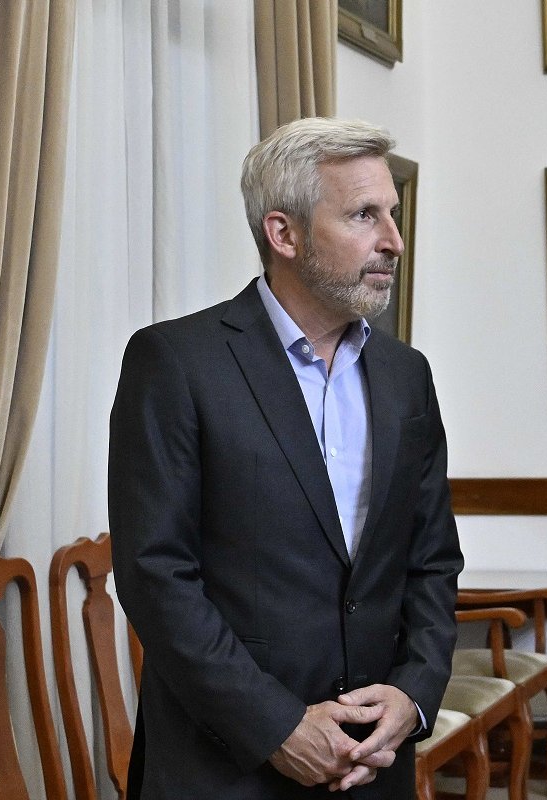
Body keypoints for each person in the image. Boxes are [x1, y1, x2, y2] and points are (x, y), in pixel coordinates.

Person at [109, 117, 462, 799]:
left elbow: (431, 558)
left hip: (373, 761)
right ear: (284, 233)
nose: (393, 240)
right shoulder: (176, 363)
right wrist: (276, 727)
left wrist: (414, 694)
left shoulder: (406, 375)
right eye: (364, 215)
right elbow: (156, 576)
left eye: (392, 214)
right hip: (226, 765)